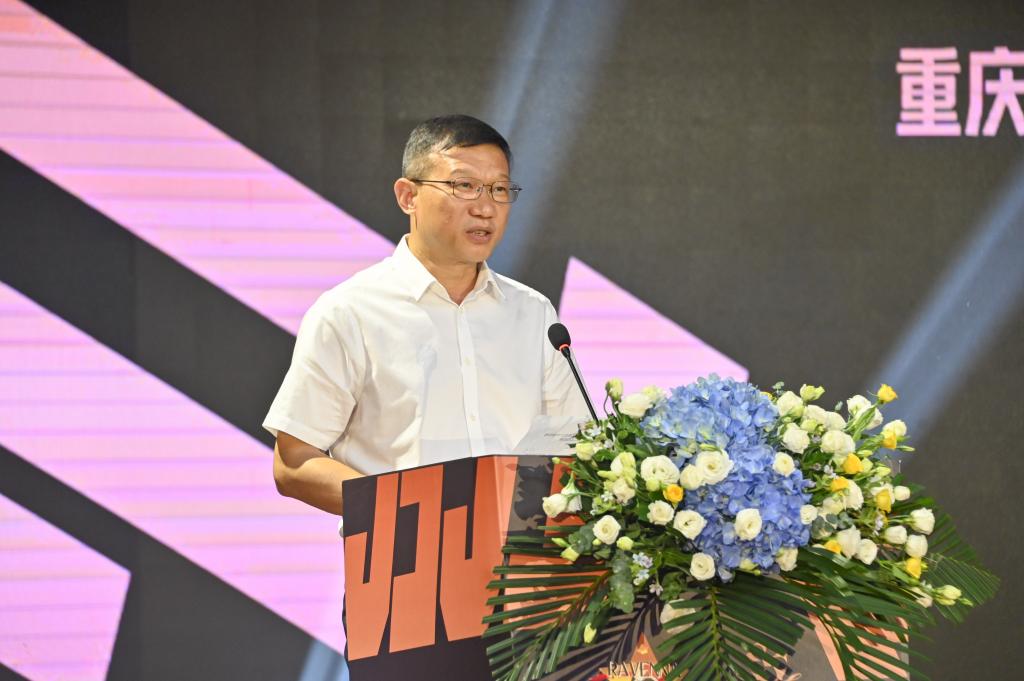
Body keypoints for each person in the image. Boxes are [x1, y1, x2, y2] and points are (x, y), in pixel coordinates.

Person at [264, 114, 588, 515]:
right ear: (408, 196)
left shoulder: (534, 313)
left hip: (520, 551)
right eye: (464, 186)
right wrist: (410, 511)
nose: (485, 207)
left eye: (500, 189)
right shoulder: (350, 312)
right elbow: (294, 463)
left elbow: (578, 445)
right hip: (402, 549)